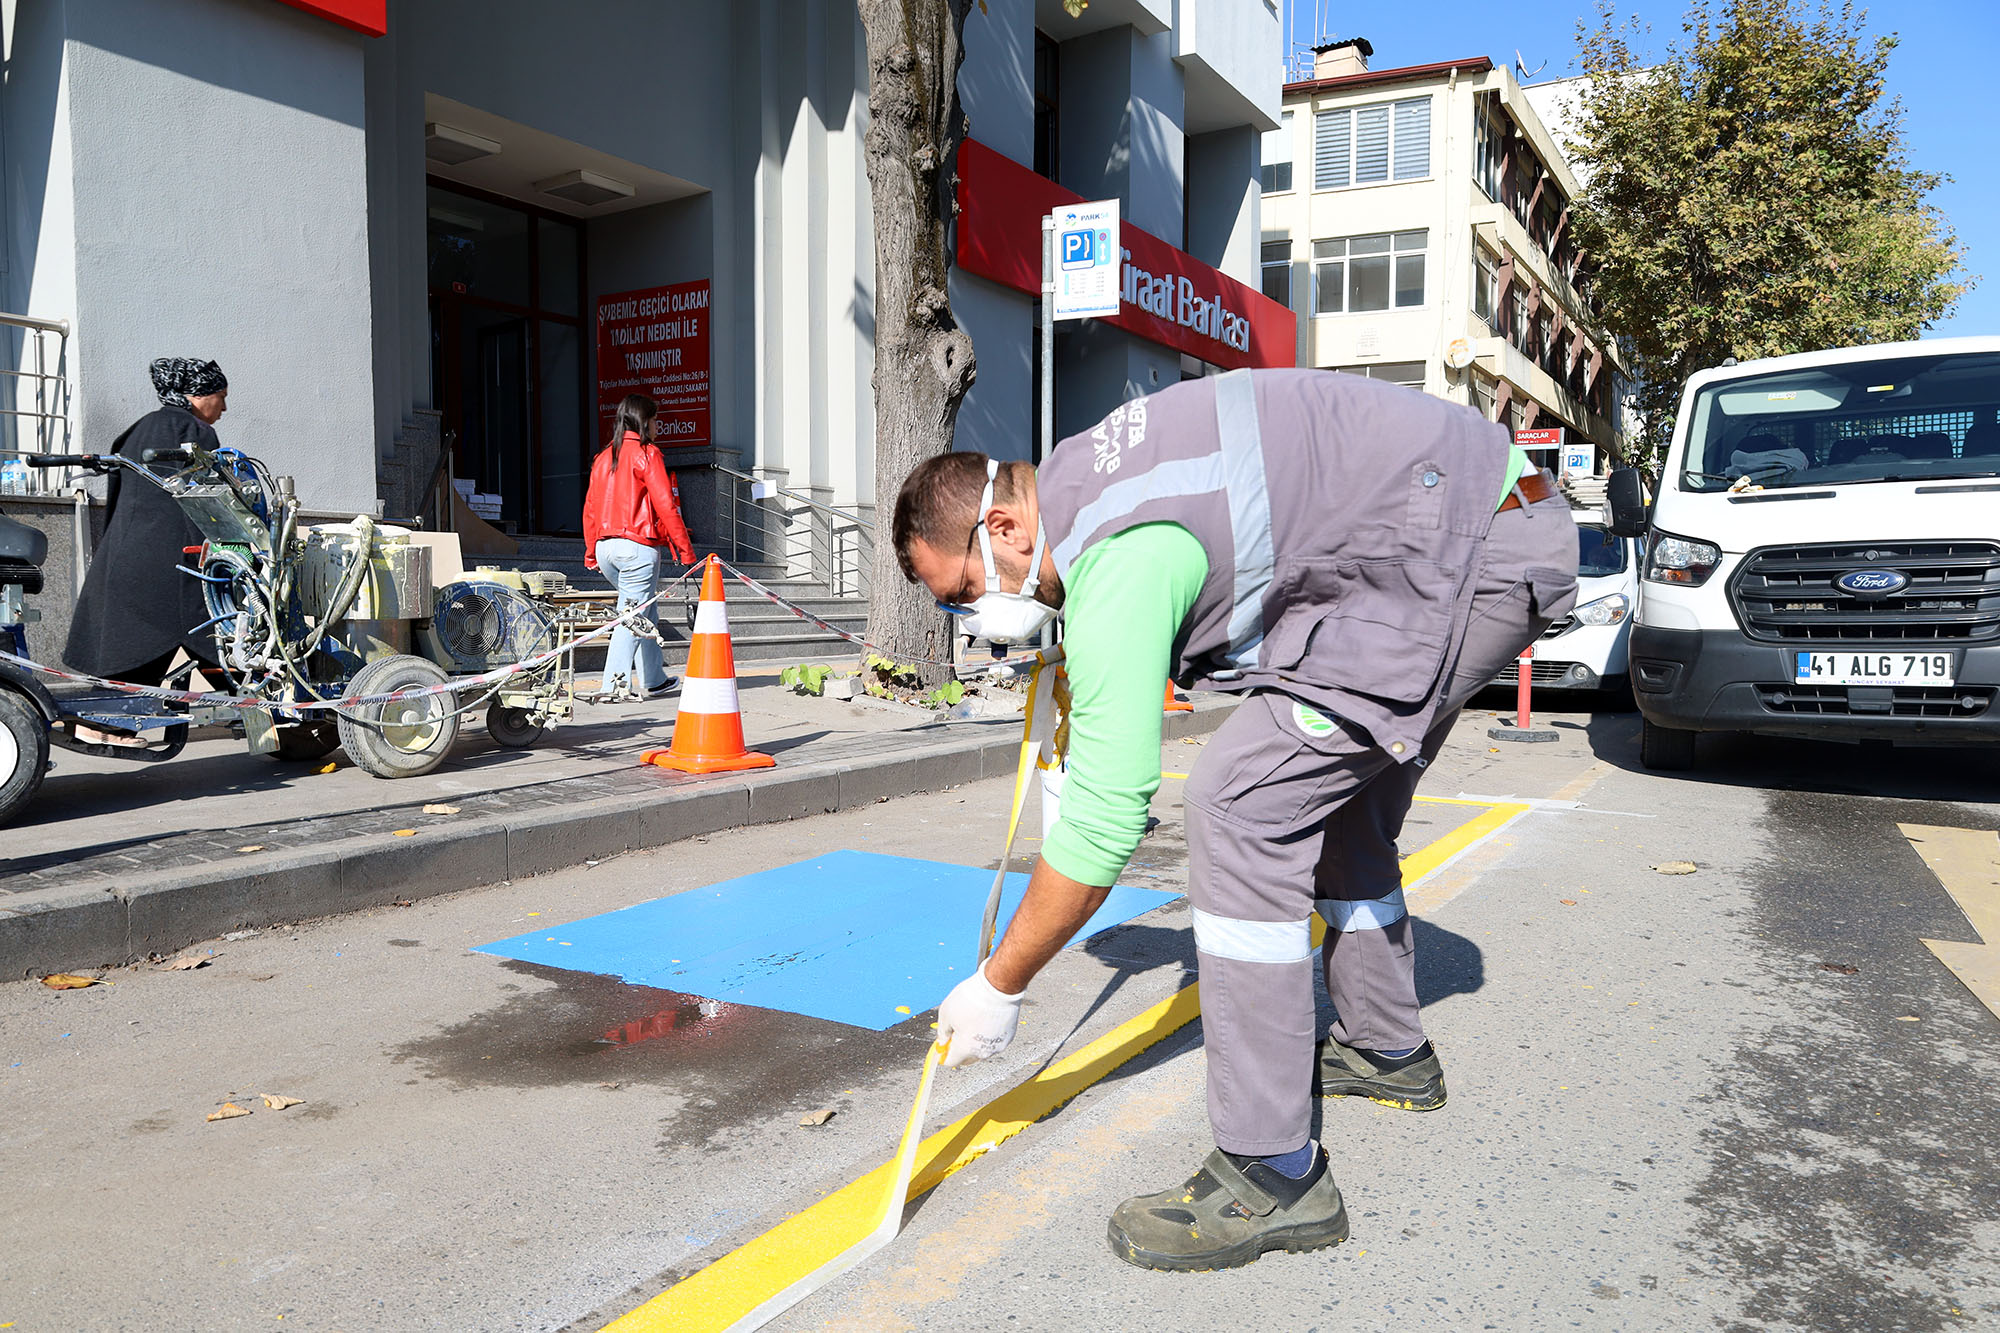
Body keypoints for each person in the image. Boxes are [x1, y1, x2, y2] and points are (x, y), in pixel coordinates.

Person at [893, 368, 1579, 1273]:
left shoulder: (1116, 549)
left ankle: (1273, 1170)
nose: (972, 619)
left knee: (1241, 801)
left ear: (1007, 527)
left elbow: (1106, 822)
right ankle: (1386, 1048)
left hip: (1456, 555)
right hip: (1474, 531)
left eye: (961, 592)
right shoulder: (1092, 484)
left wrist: (1000, 982)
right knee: (1336, 804)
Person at [65, 358, 232, 691]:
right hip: (171, 567)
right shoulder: (196, 433)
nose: (224, 407)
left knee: (134, 645)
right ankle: (267, 714)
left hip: (125, 560)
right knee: (217, 634)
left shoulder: (137, 430)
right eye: (221, 396)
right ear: (197, 396)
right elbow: (208, 505)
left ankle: (106, 721)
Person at [582, 393, 694, 701]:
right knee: (630, 615)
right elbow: (666, 505)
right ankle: (613, 686)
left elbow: (590, 508)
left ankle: (654, 678)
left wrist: (591, 550)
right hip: (636, 548)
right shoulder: (648, 453)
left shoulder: (603, 457)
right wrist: (685, 550)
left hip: (606, 548)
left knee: (645, 611)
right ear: (644, 421)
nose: (658, 425)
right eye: (656, 419)